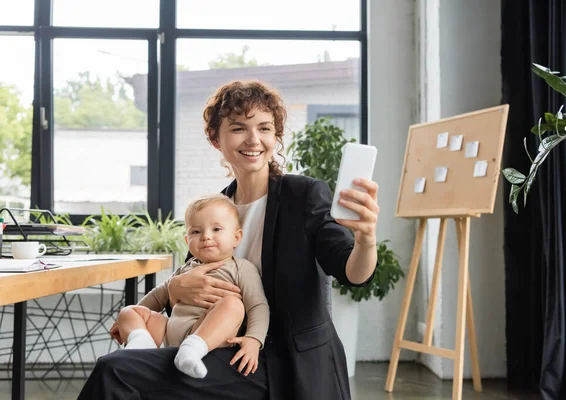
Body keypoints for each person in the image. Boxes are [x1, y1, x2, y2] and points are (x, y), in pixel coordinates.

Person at [78, 80, 380, 400]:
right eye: (238, 128)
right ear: (215, 138)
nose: (254, 139)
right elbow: (195, 290)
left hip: (287, 363)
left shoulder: (303, 194)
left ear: (275, 136)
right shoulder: (216, 209)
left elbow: (352, 273)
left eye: (264, 128)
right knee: (118, 366)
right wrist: (176, 290)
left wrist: (366, 240)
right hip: (223, 351)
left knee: (117, 371)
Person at [109, 194, 269, 379]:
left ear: (236, 238)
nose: (206, 237)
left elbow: (257, 306)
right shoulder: (184, 269)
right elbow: (156, 297)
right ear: (187, 241)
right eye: (196, 232)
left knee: (234, 305)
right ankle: (141, 344)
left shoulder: (242, 268)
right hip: (168, 333)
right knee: (129, 311)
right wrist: (126, 322)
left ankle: (193, 350)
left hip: (208, 334)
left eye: (216, 229)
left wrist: (254, 339)